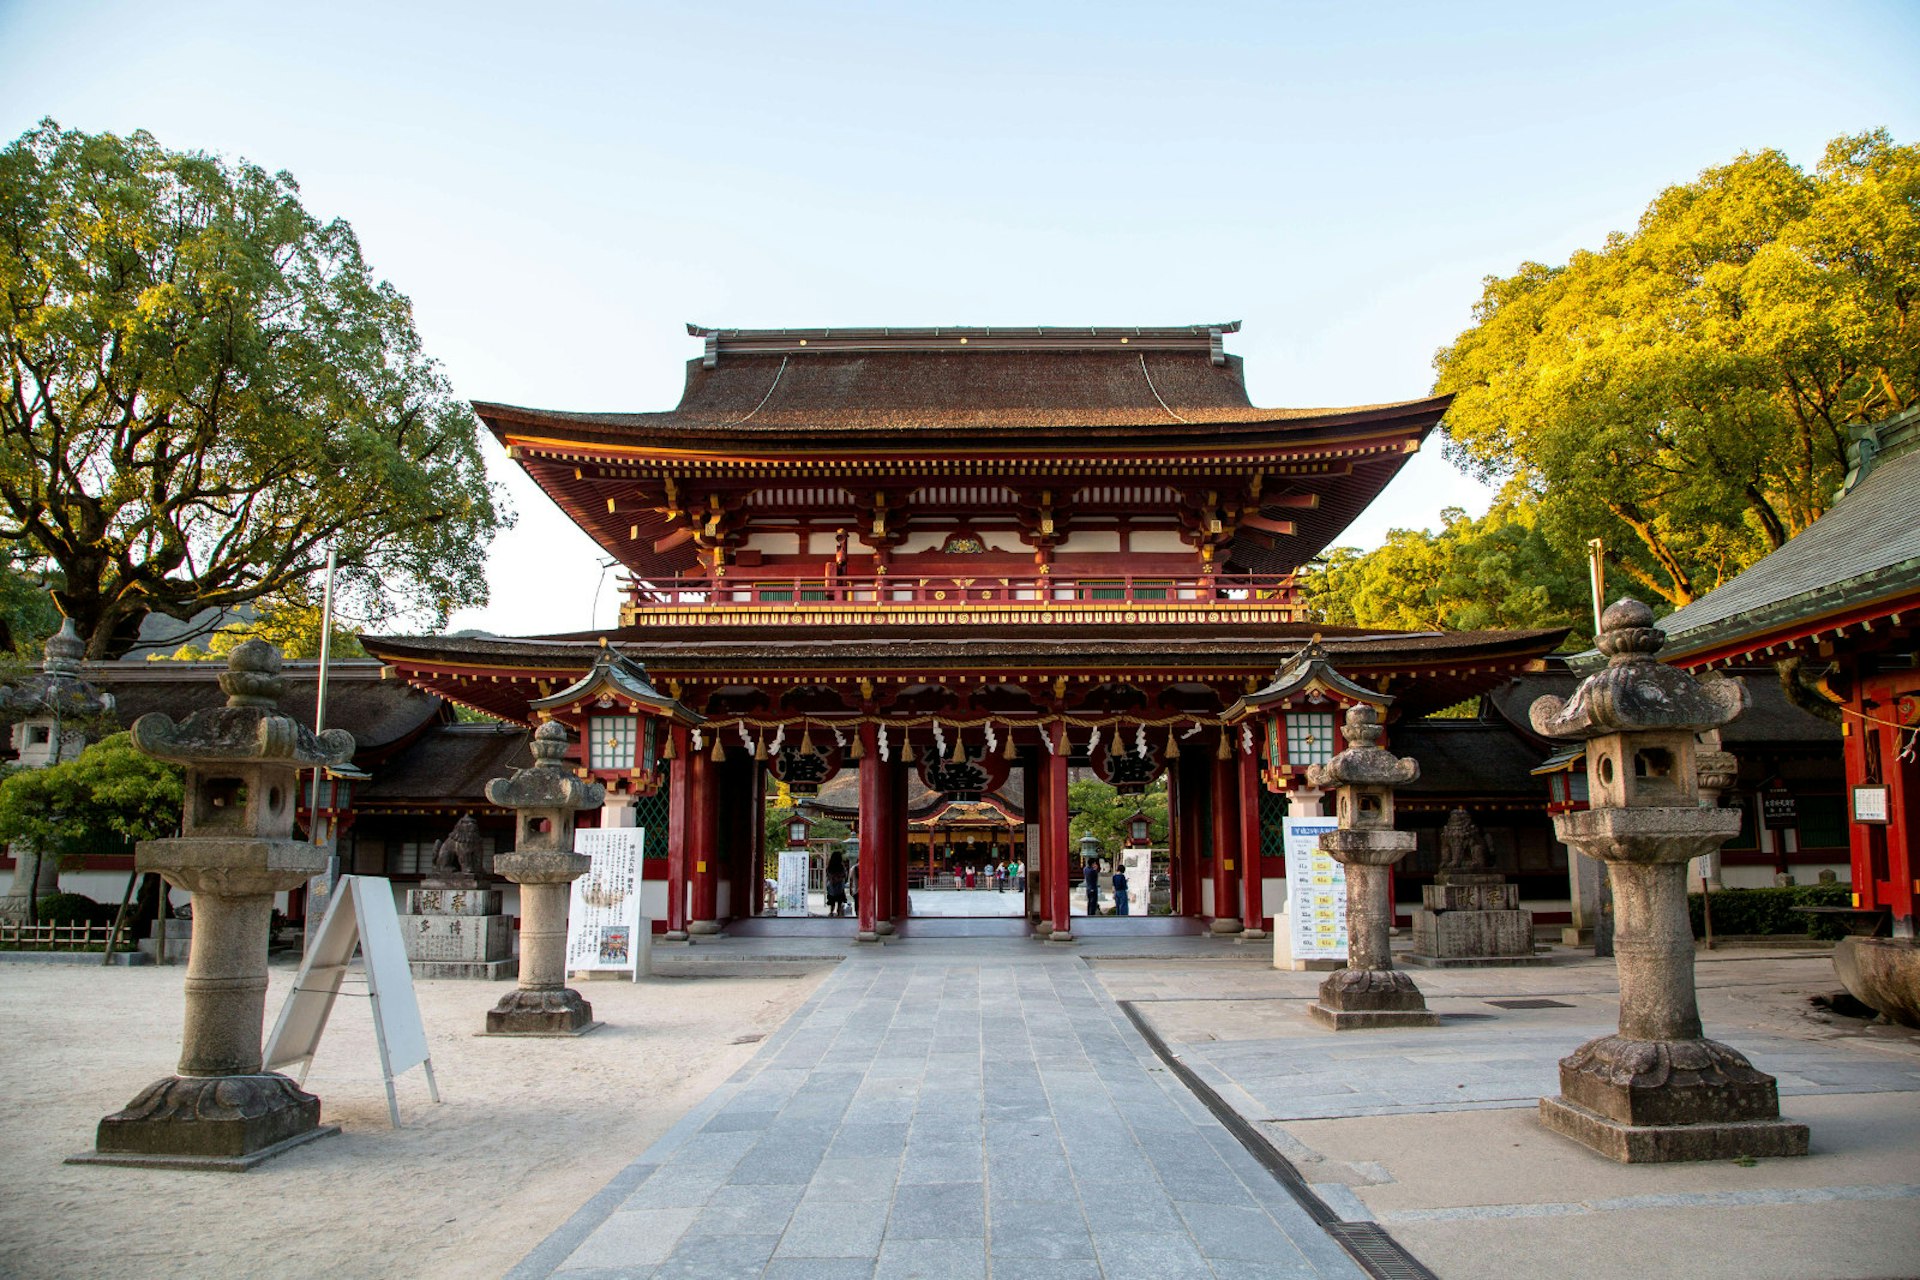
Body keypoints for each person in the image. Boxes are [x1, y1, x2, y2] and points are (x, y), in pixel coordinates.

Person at [825, 849, 848, 918]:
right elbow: (844, 875)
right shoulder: (841, 866)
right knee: (839, 900)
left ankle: (831, 912)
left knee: (832, 899)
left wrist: (833, 879)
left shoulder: (830, 866)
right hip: (840, 885)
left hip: (831, 885)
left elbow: (828, 875)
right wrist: (839, 879)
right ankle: (839, 912)